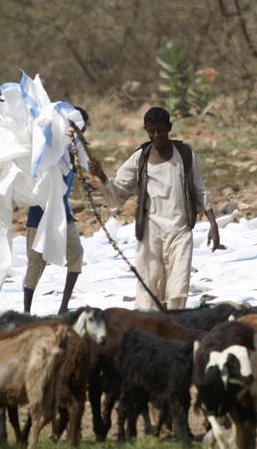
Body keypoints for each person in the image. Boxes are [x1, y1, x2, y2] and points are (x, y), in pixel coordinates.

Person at [89, 106, 221, 310]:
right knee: (149, 287)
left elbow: (199, 188)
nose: (156, 135)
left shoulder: (185, 155)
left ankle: (174, 326)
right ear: (146, 130)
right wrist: (102, 176)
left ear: (169, 127)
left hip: (180, 229)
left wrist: (213, 223)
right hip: (151, 231)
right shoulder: (140, 158)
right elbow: (119, 189)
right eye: (151, 131)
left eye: (160, 130)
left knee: (178, 287)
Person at [23, 106, 89, 314]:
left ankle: (63, 307)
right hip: (39, 215)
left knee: (76, 254)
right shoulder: (48, 151)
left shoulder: (72, 155)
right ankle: (26, 311)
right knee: (35, 263)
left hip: (63, 214)